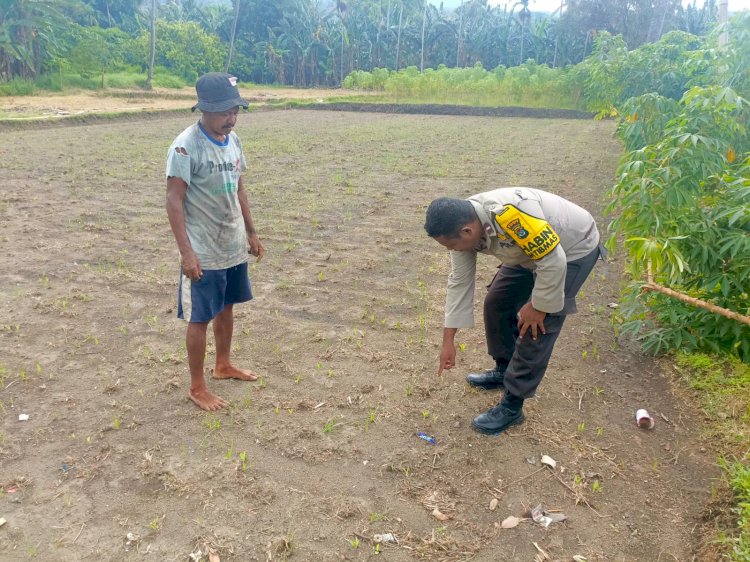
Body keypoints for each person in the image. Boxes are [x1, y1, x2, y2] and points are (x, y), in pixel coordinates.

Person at [424, 188, 603, 435]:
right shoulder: (462, 226)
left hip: (571, 249)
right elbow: (459, 282)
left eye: (451, 245)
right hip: (529, 252)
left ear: (467, 231)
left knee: (536, 326)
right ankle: (504, 368)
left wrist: (538, 307)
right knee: (497, 302)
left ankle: (513, 404)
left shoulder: (511, 216)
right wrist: (448, 340)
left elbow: (553, 260)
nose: (450, 250)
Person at [166, 72, 265, 411]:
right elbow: (174, 200)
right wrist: (187, 253)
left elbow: (238, 187)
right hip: (203, 250)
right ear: (204, 109)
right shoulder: (185, 146)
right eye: (224, 112)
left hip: (231, 243)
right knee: (200, 318)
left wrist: (250, 232)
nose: (231, 118)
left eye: (235, 110)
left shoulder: (234, 141)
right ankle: (197, 387)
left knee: (227, 307)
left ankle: (223, 365)